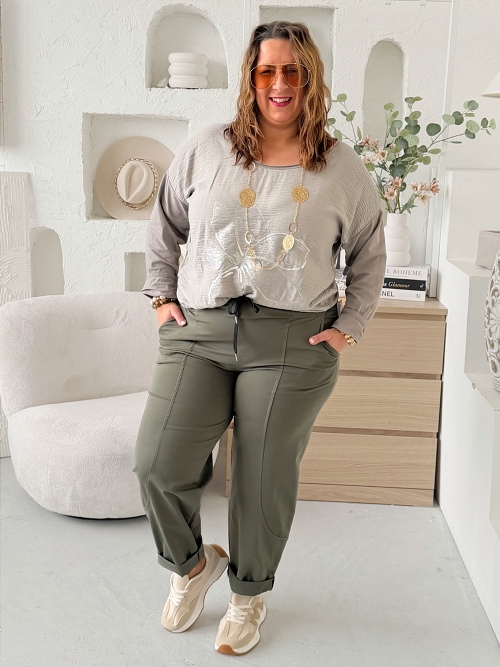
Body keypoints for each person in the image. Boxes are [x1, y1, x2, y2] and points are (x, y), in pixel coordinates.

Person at [133, 20, 386, 656]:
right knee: (157, 462)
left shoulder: (341, 167)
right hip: (200, 330)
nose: (279, 84)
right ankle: (193, 566)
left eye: (292, 71)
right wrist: (161, 299)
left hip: (293, 339)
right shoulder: (207, 147)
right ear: (250, 78)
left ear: (310, 79)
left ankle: (248, 594)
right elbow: (165, 224)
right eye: (267, 70)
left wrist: (348, 328)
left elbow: (368, 253)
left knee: (261, 476)